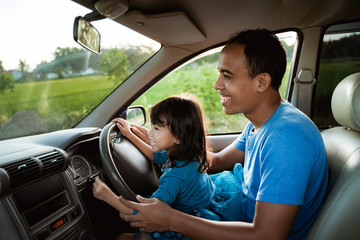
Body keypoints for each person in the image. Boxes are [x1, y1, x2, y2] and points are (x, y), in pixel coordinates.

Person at [118, 29, 329, 240]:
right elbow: (216, 161)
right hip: (239, 217)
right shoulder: (263, 122)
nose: (217, 85)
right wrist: (159, 139)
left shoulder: (286, 138)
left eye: (227, 76)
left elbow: (266, 236)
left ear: (262, 82)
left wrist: (171, 219)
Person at [92, 94, 244, 240]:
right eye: (151, 126)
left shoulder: (175, 177)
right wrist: (130, 134)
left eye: (156, 129)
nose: (149, 132)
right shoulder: (186, 153)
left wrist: (107, 195)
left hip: (193, 215)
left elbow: (144, 213)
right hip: (209, 200)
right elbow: (154, 155)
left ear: (178, 136)